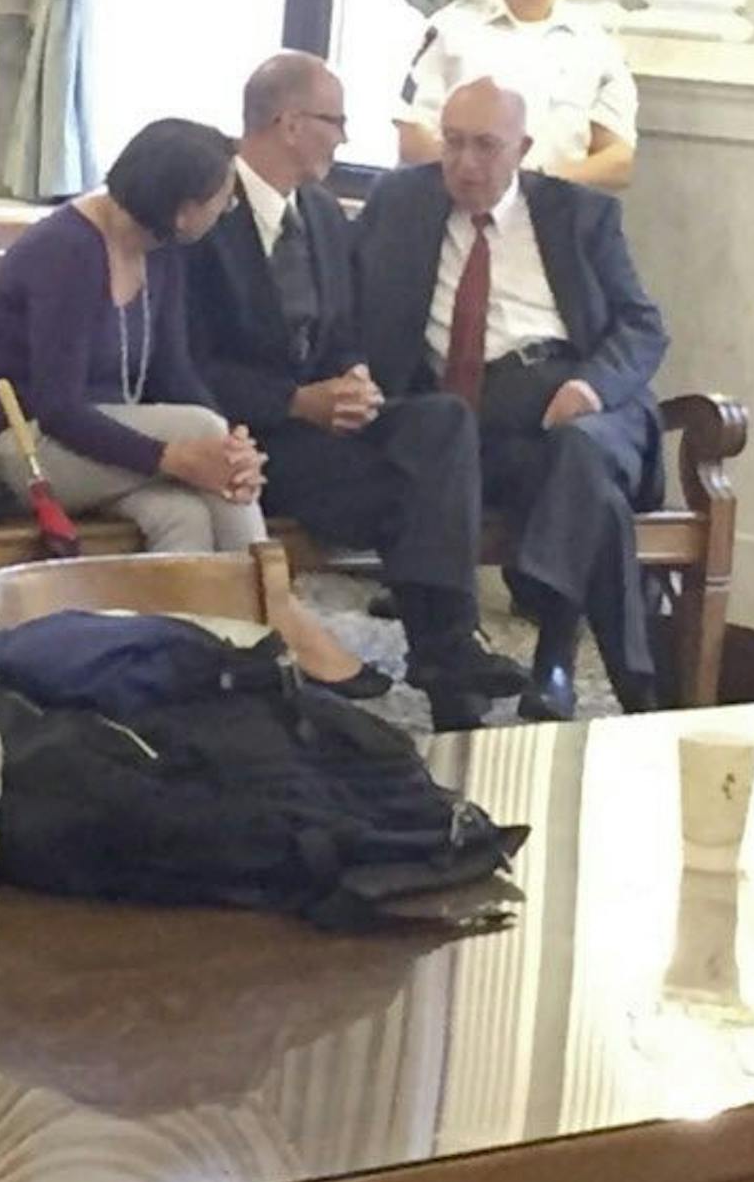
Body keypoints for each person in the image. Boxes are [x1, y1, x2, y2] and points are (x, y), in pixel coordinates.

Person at [0, 117, 385, 696]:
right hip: (26, 447)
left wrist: (234, 447)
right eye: (221, 200)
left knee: (180, 515)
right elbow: (59, 407)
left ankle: (188, 673)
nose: (228, 210)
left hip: (107, 452)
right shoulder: (68, 250)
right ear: (184, 208)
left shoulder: (160, 250)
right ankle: (276, 605)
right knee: (197, 432)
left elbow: (176, 373)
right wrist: (175, 456)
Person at [187, 54, 525, 729]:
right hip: (249, 445)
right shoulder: (206, 208)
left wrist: (355, 380)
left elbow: (343, 331)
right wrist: (296, 402)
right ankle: (446, 664)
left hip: (324, 431)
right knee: (416, 494)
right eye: (334, 122)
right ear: (289, 124)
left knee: (442, 424)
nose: (344, 138)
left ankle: (446, 650)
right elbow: (189, 367)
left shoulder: (319, 209)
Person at [357, 79, 668, 721]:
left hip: (580, 396)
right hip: (474, 422)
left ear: (522, 148)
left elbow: (643, 325)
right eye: (454, 144)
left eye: (487, 147)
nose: (466, 164)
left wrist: (590, 387)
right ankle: (618, 683)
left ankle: (544, 610)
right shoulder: (400, 203)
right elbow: (349, 305)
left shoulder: (579, 214)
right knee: (589, 494)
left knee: (578, 449)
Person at [396, 0, 638, 192]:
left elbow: (619, 161)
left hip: (553, 215)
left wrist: (532, 186)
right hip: (457, 210)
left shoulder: (597, 46)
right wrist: (479, 181)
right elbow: (412, 137)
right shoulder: (451, 28)